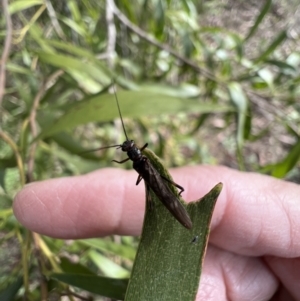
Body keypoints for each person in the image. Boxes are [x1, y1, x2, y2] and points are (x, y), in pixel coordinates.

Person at [13, 165, 300, 300]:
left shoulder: (139, 163)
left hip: (159, 187)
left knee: (166, 191)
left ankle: (181, 214)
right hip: (159, 186)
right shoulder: (141, 162)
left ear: (133, 155)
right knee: (165, 190)